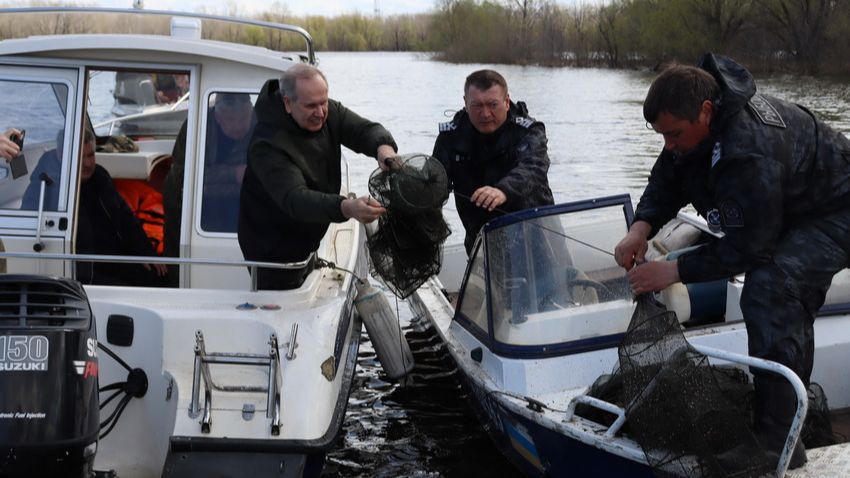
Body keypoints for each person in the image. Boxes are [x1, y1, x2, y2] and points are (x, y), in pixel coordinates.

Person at [614, 53, 850, 468]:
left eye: (674, 134)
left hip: (837, 210)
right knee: (767, 277)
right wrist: (641, 227)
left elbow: (750, 249)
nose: (668, 144)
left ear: (706, 111)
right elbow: (670, 172)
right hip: (791, 203)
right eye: (660, 135)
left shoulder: (747, 151)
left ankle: (778, 441)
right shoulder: (693, 125)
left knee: (772, 288)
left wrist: (672, 270)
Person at [238, 64, 397, 290]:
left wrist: (383, 148)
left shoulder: (326, 111)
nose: (321, 112)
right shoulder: (267, 144)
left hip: (308, 239)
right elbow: (296, 199)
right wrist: (347, 207)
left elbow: (363, 130)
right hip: (272, 253)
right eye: (311, 105)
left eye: (324, 102)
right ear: (287, 103)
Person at [431, 69, 554, 255]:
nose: (485, 113)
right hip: (481, 242)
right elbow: (434, 185)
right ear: (465, 103)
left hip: (539, 237)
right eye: (477, 105)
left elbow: (534, 168)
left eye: (492, 104)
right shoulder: (450, 138)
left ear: (506, 102)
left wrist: (503, 190)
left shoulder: (528, 131)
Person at [163, 92, 256, 262]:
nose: (238, 126)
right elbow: (184, 178)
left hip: (237, 215)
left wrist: (207, 185)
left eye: (243, 120)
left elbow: (255, 184)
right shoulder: (197, 125)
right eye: (231, 120)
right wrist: (233, 173)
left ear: (251, 113)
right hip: (185, 211)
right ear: (218, 117)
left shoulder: (261, 128)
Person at [74, 131, 168, 286]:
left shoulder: (100, 176)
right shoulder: (55, 185)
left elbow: (126, 218)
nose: (87, 164)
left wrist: (146, 253)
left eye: (90, 156)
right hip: (85, 268)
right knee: (128, 288)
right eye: (81, 158)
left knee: (159, 276)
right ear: (63, 156)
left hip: (114, 257)